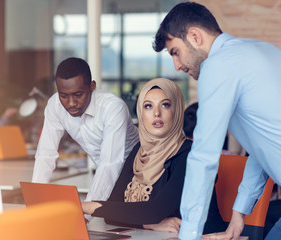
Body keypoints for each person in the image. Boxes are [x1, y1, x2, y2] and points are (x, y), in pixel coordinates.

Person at [153, 2, 281, 240]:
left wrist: (189, 235)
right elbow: (262, 147)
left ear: (194, 36)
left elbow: (203, 157)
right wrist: (239, 211)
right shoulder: (263, 51)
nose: (177, 66)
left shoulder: (218, 64)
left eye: (175, 52)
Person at [81, 78, 226, 234]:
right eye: (148, 106)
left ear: (176, 110)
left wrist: (87, 206)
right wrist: (149, 225)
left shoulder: (191, 155)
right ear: (141, 113)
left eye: (165, 105)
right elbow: (112, 212)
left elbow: (155, 210)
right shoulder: (139, 151)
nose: (157, 113)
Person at [32, 57, 139, 201]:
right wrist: (35, 199)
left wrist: (87, 211)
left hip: (143, 175)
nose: (71, 103)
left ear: (92, 86)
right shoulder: (54, 105)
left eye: (78, 95)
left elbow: (110, 164)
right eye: (63, 95)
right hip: (107, 178)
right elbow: (46, 154)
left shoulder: (113, 108)